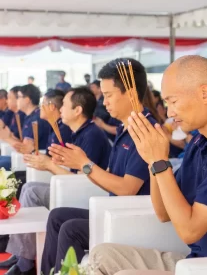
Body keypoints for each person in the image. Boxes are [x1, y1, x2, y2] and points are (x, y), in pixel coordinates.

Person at [89, 55, 207, 275]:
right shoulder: (199, 143)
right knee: (102, 255)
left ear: (204, 93)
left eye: (173, 101)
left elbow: (190, 231)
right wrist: (152, 160)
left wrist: (161, 162)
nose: (169, 112)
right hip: (198, 262)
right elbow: (163, 213)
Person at [40, 58, 157, 275]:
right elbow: (111, 178)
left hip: (134, 217)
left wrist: (85, 164)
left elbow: (127, 189)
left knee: (70, 229)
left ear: (130, 93)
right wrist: (80, 163)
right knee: (57, 216)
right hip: (115, 210)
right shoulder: (126, 128)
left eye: (109, 95)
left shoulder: (145, 130)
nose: (104, 102)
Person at [1, 88, 111, 275]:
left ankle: (24, 260)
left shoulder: (91, 135)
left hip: (89, 192)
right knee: (29, 186)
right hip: (75, 186)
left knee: (31, 190)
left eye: (64, 106)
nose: (59, 111)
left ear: (77, 110)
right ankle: (23, 256)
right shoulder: (78, 132)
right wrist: (48, 163)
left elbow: (86, 178)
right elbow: (72, 169)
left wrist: (49, 165)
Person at [0, 84, 50, 170]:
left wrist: (7, 138)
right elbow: (22, 142)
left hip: (32, 164)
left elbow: (26, 149)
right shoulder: (30, 116)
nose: (16, 100)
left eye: (18, 97)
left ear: (27, 100)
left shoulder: (36, 119)